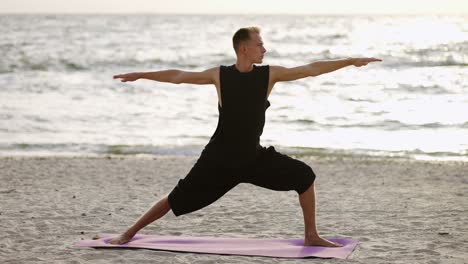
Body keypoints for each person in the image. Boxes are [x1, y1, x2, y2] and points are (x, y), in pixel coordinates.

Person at [109, 26, 382, 247]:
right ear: (244, 48)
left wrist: (349, 61)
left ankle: (311, 235)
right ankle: (129, 233)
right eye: (260, 44)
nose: (264, 49)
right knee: (176, 198)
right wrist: (142, 75)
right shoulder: (219, 75)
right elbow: (179, 76)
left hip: (253, 158)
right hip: (218, 160)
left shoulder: (269, 75)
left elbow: (310, 69)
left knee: (305, 176)